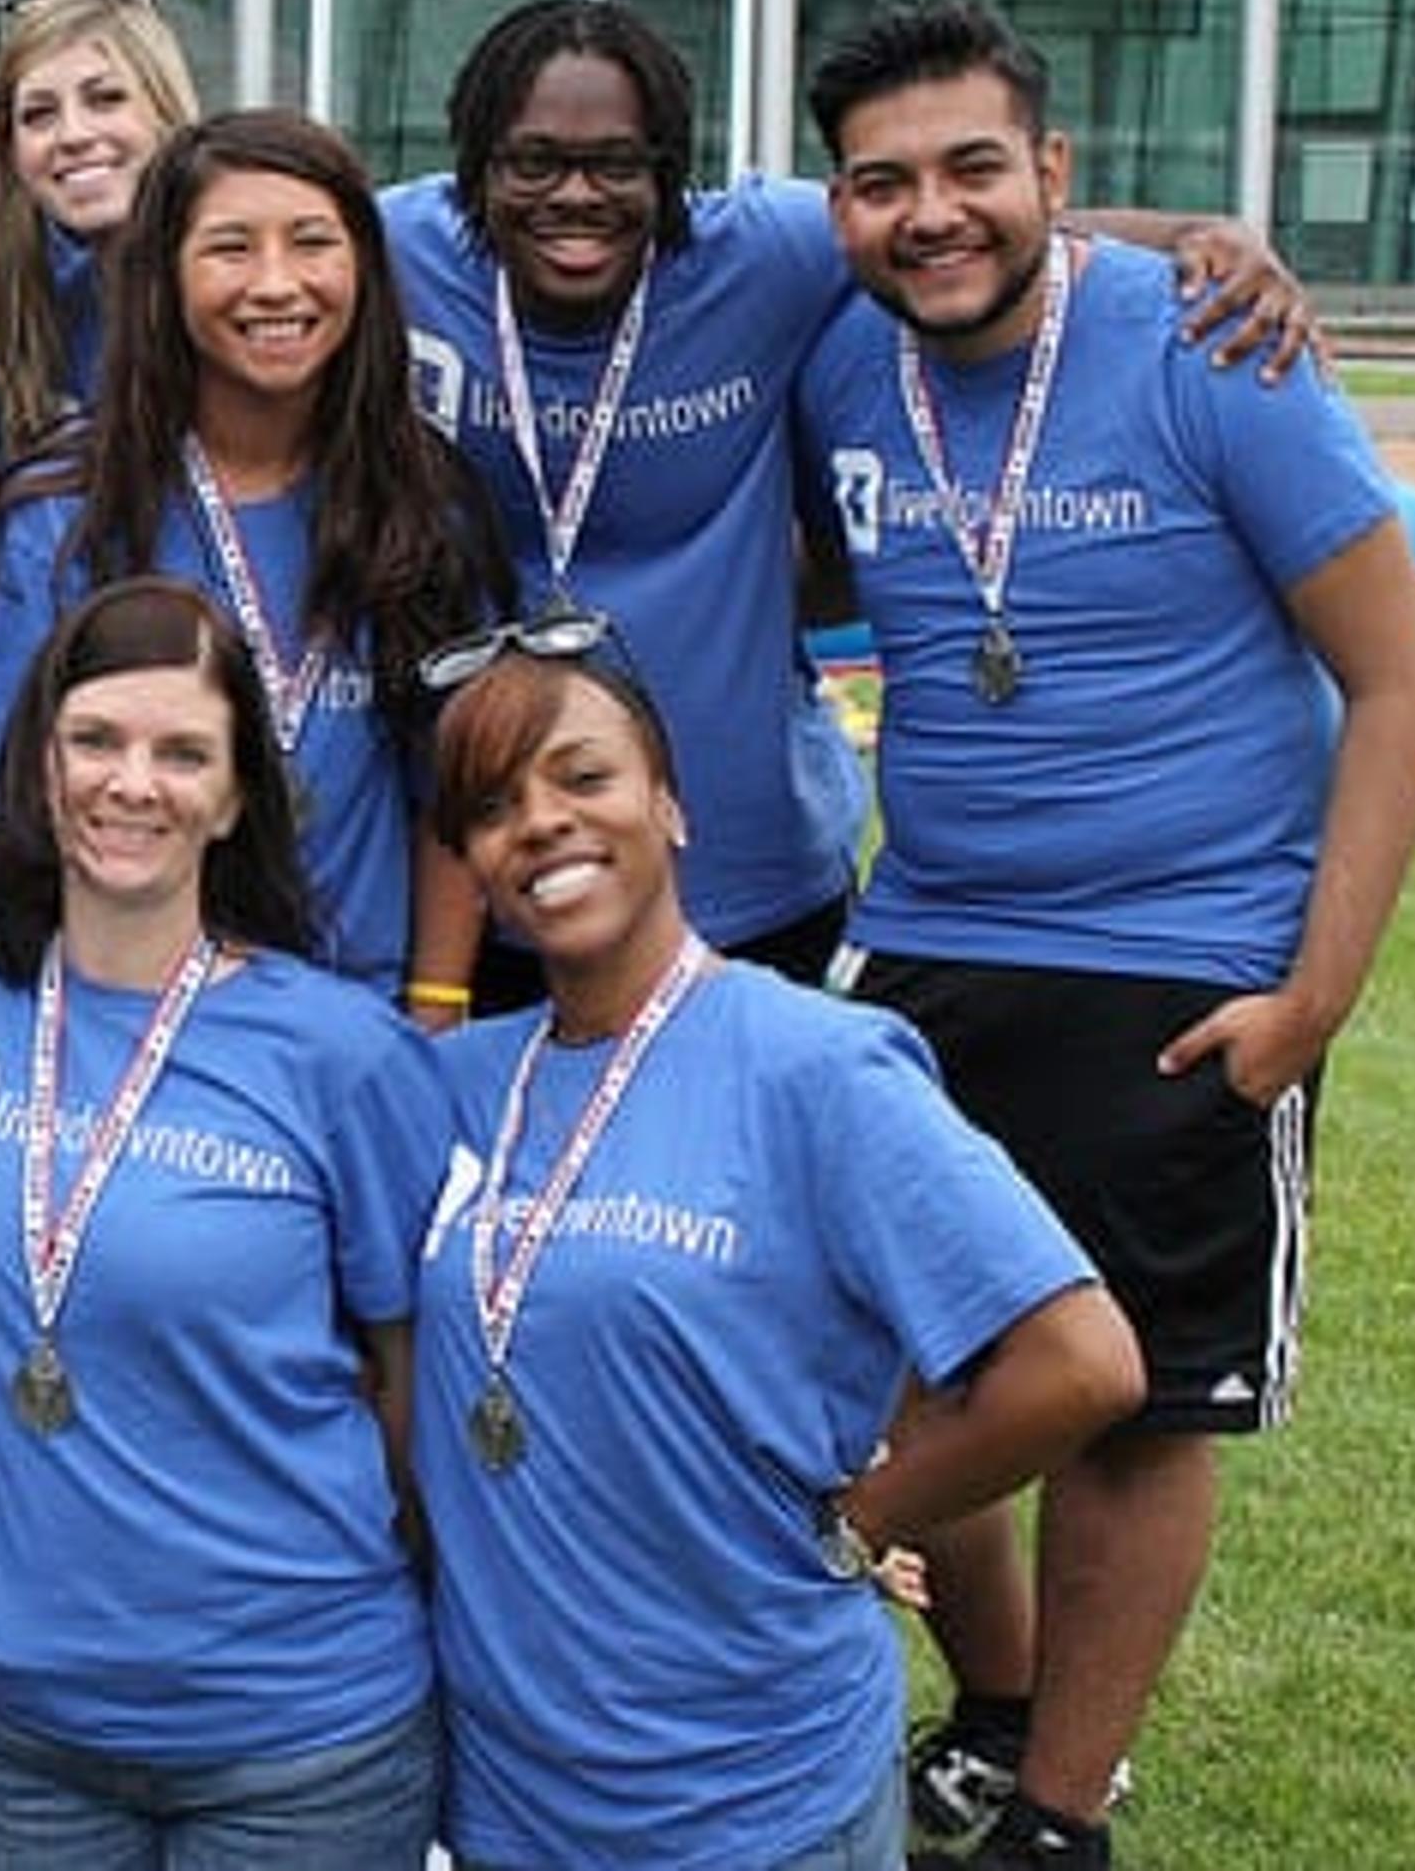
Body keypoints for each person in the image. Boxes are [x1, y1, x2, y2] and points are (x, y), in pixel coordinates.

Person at [791, 0, 1415, 1871]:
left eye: (975, 168)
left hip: (1184, 956)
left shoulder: (1208, 345)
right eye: (883, 182)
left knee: (1137, 1408)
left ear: (1056, 172)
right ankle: (997, 1711)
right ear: (839, 206)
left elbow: (1402, 679)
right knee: (903, 1360)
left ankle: (1060, 1816)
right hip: (925, 939)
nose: (932, 213)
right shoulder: (842, 354)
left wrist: (1312, 998)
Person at [387, 0, 1322, 997]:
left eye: (618, 164)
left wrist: (1197, 234)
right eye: (532, 162)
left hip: (749, 880)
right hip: (479, 868)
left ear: (672, 173)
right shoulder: (393, 251)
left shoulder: (759, 254)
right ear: (474, 167)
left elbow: (954, 226)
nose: (576, 195)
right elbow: (276, 234)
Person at [410, 619, 1143, 1871]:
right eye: (493, 806)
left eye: (583, 778)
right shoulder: (452, 1088)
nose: (540, 823)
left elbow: (1081, 1362)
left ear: (672, 807)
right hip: (508, 1798)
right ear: (471, 865)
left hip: (756, 1794)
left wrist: (865, 1519)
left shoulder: (820, 1067)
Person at [0, 576, 452, 1865]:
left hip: (299, 1734)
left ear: (235, 795)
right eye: (95, 740)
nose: (132, 784)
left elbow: (412, 1385)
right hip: (28, 1730)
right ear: (40, 764)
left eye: (182, 754)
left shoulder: (340, 1054)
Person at [0, 108, 509, 1001]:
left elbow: (452, 793)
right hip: (132, 1021)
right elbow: (3, 814)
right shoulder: (64, 515)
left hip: (356, 1022)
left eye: (312, 242)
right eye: (231, 248)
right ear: (164, 276)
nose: (276, 284)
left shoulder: (425, 504)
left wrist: (434, 1013)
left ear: (364, 266)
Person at [0, 0, 202, 462]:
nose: (73, 135)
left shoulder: (239, 287)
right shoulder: (30, 301)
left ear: (166, 109)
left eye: (105, 99)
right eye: (39, 115)